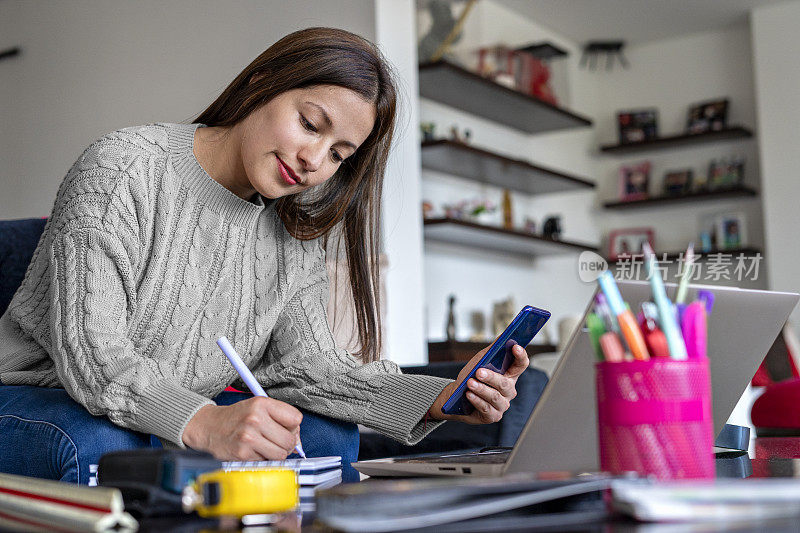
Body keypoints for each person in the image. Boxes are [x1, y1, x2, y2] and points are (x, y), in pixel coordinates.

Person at [0, 27, 529, 484]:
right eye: (310, 125)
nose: (314, 160)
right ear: (262, 83)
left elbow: (309, 368)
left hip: (164, 410)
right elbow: (96, 359)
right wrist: (204, 423)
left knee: (323, 435)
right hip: (41, 398)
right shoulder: (122, 169)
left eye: (339, 155)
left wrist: (441, 397)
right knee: (101, 442)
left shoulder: (290, 228)